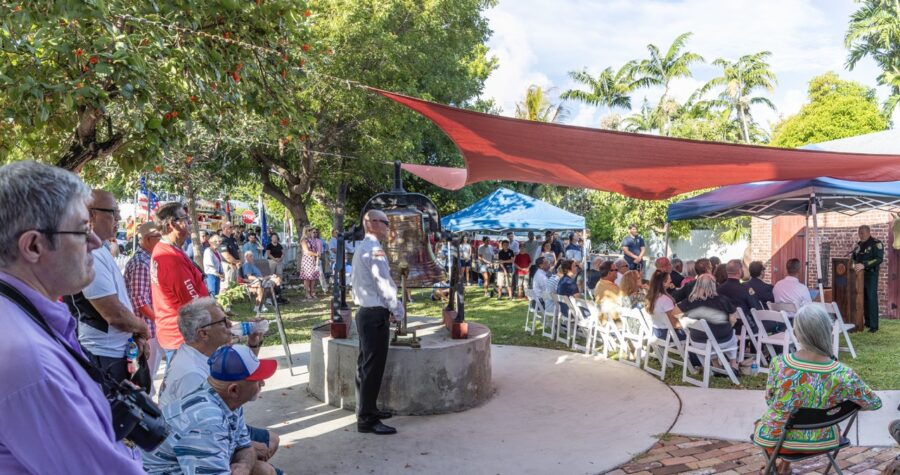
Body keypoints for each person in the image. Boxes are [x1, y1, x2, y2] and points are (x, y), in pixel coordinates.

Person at [0, 161, 144, 473]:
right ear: (34, 245)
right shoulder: (30, 359)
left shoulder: (22, 318)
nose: (94, 243)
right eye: (82, 230)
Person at [752, 305, 882, 474]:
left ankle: (779, 467)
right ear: (827, 332)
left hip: (779, 442)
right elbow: (874, 403)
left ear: (797, 333)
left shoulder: (779, 364)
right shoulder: (843, 374)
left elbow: (770, 401)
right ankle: (784, 467)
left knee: (773, 422)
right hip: (823, 440)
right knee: (794, 420)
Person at [158, 299, 278, 463]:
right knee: (263, 457)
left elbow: (243, 373)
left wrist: (254, 341)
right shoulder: (191, 374)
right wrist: (246, 447)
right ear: (203, 333)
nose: (230, 324)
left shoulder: (203, 351)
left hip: (212, 425)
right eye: (223, 321)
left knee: (270, 441)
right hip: (193, 442)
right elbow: (203, 430)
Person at [143, 345, 279, 475]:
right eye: (256, 380)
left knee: (264, 470)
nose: (263, 383)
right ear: (234, 390)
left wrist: (243, 466)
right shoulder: (207, 420)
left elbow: (245, 446)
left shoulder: (227, 400)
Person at [65, 190, 150, 384]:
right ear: (91, 214)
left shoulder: (99, 249)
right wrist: (142, 328)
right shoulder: (89, 253)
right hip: (103, 356)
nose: (119, 217)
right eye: (113, 211)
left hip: (114, 352)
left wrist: (136, 333)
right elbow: (114, 314)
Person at [351, 210, 402, 435]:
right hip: (374, 315)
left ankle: (366, 408)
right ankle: (367, 419)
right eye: (385, 223)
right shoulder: (375, 250)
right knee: (373, 368)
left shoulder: (362, 248)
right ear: (372, 223)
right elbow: (385, 285)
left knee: (365, 366)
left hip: (366, 312)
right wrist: (398, 311)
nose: (388, 227)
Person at [151, 202, 210, 362]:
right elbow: (192, 303)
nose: (190, 223)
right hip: (183, 337)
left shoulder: (169, 249)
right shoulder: (171, 258)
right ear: (172, 225)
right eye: (185, 219)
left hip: (179, 334)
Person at [124, 221, 164, 396]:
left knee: (147, 374)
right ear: (148, 239)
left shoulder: (148, 259)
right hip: (148, 330)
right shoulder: (141, 262)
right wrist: (160, 320)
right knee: (144, 376)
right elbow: (140, 300)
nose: (162, 240)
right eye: (159, 237)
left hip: (150, 328)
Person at [677, 274, 740, 373]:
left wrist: (684, 321)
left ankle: (716, 364)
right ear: (713, 285)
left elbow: (673, 313)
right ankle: (733, 363)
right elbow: (733, 319)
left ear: (697, 285)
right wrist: (727, 327)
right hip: (723, 342)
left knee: (711, 335)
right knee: (732, 335)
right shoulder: (723, 299)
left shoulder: (690, 301)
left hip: (698, 343)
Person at [851, 224, 884, 333]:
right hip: (859, 276)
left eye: (862, 233)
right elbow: (854, 258)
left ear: (868, 232)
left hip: (871, 275)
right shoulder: (859, 245)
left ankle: (874, 326)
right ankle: (867, 322)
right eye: (859, 233)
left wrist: (864, 265)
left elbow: (879, 259)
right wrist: (853, 264)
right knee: (863, 298)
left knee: (871, 298)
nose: (860, 235)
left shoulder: (876, 243)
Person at [645, 270, 686, 341]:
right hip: (668, 334)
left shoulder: (650, 298)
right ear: (664, 283)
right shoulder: (665, 299)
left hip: (656, 331)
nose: (671, 282)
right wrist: (687, 326)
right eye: (669, 281)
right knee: (696, 334)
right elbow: (675, 324)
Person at [299, 226, 322, 300]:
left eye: (311, 231)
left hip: (314, 260)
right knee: (307, 278)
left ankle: (312, 291)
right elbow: (306, 251)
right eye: (309, 231)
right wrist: (316, 254)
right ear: (306, 231)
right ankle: (307, 293)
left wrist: (317, 256)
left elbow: (316, 249)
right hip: (307, 260)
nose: (311, 232)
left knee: (313, 277)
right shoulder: (303, 240)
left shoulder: (313, 240)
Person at [219, 222, 241, 289]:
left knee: (235, 286)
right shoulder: (222, 240)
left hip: (236, 265)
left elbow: (238, 251)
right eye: (230, 227)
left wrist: (239, 261)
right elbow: (226, 255)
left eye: (233, 227)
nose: (232, 229)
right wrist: (236, 262)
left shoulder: (232, 238)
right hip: (228, 265)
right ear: (225, 229)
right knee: (228, 286)